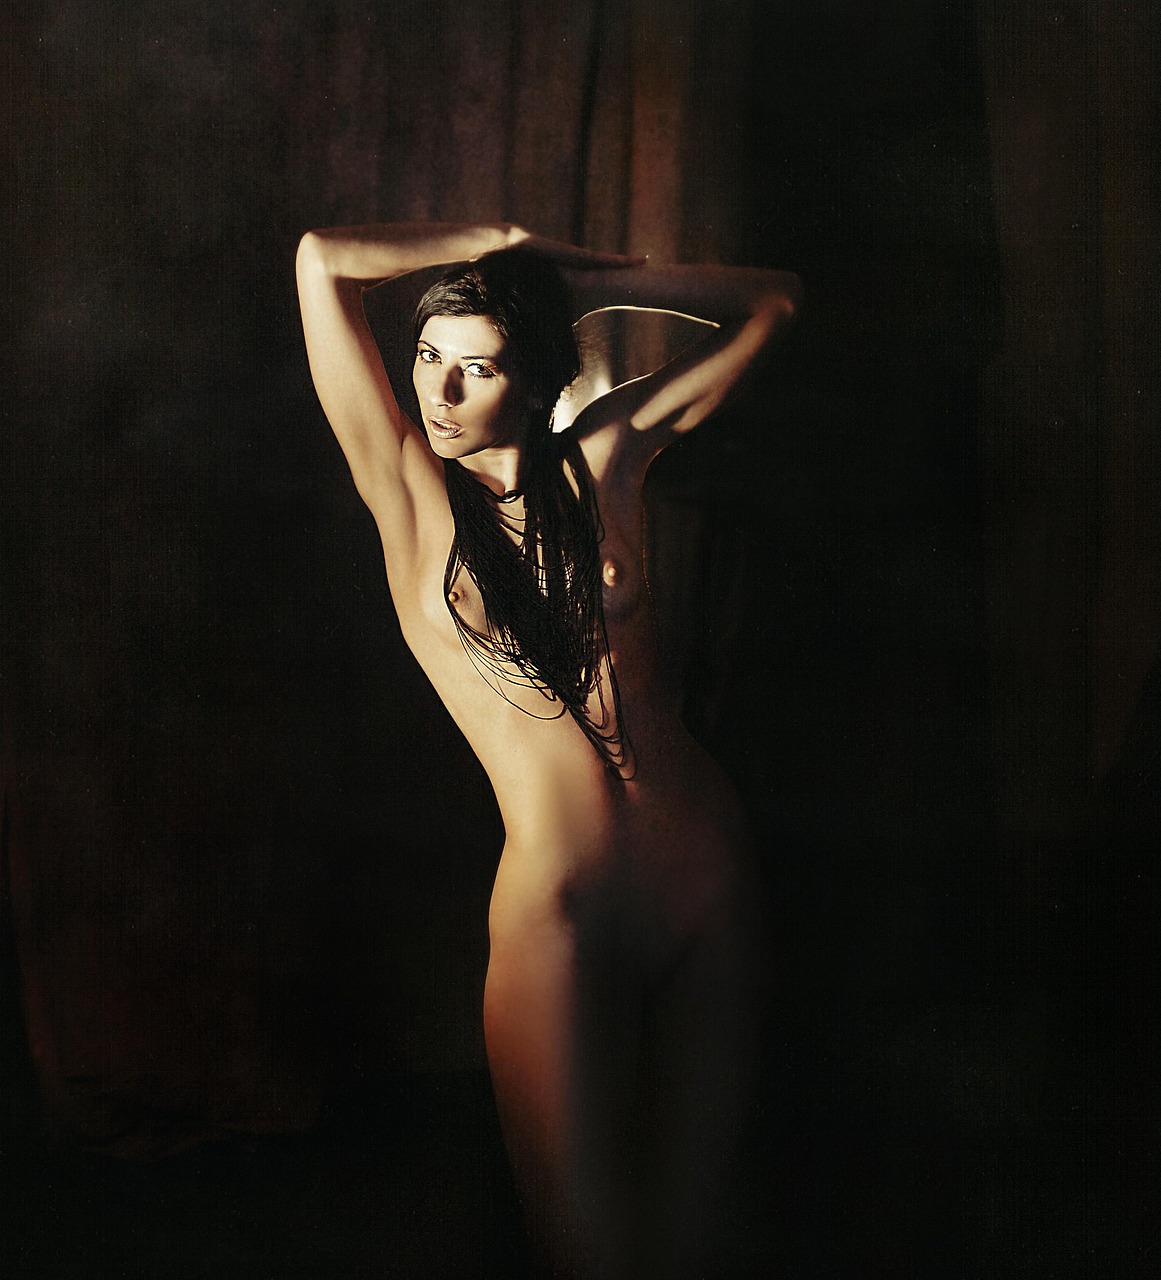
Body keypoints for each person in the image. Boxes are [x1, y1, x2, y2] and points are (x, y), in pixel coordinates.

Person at [295, 223, 799, 1278]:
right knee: (585, 1253)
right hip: (562, 907)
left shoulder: (605, 458)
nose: (437, 394)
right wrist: (494, 242)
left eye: (475, 368)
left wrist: (587, 285)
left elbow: (772, 303)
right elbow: (319, 261)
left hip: (703, 873)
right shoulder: (410, 497)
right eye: (427, 357)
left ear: (531, 380)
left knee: (697, 1239)